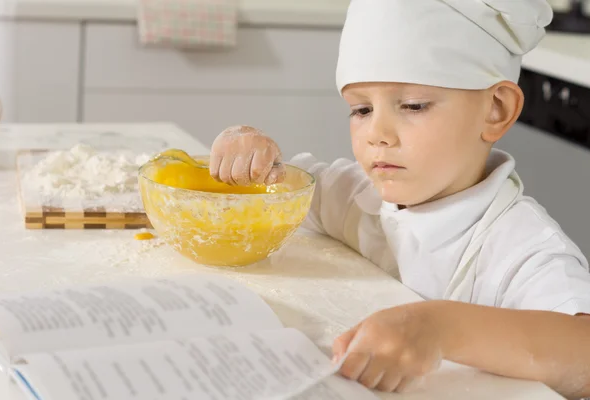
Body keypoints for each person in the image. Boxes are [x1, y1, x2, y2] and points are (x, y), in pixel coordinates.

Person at [208, 0, 590, 397]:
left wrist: (437, 328)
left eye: (412, 105)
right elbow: (273, 185)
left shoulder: (520, 246)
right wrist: (245, 150)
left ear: (495, 110)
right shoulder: (354, 195)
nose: (378, 134)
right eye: (361, 109)